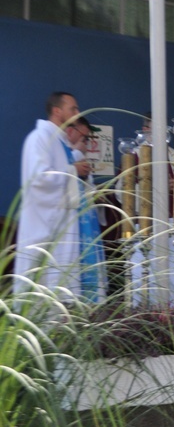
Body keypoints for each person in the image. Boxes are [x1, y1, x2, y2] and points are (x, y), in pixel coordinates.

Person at [15, 92, 91, 297]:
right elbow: (39, 178)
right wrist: (73, 170)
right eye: (73, 109)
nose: (77, 112)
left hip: (62, 224)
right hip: (44, 226)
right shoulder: (39, 138)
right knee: (42, 287)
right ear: (57, 111)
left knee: (61, 286)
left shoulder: (59, 142)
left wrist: (75, 170)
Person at [65, 116, 107, 301]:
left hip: (87, 224)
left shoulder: (76, 159)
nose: (86, 146)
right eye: (84, 140)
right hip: (75, 227)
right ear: (70, 132)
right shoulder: (69, 158)